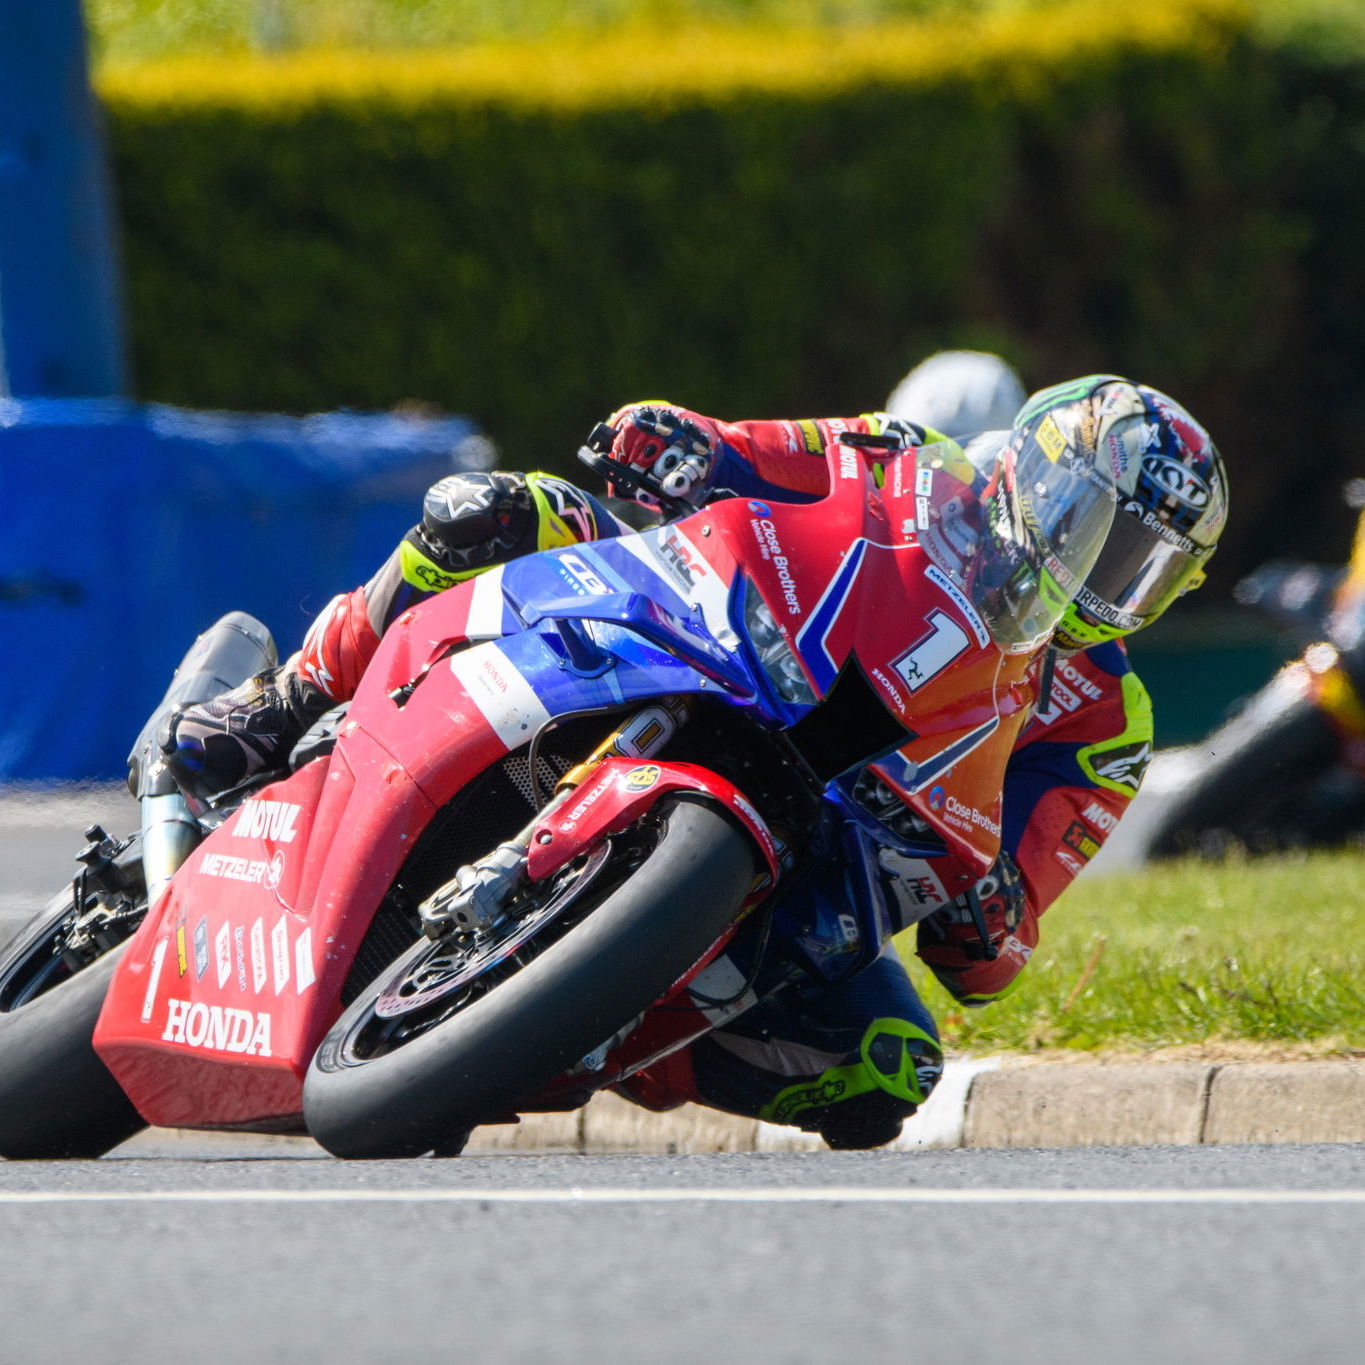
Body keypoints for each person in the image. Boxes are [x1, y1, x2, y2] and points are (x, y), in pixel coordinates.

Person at [164, 371, 1228, 1148]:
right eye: (1095, 529)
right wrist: (679, 442)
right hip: (725, 642)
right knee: (502, 512)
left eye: (1141, 569)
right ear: (1037, 475)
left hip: (839, 827)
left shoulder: (1107, 722)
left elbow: (1014, 915)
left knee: (882, 1067)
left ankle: (572, 1026)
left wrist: (993, 918)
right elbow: (764, 450)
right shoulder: (913, 459)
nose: (1102, 576)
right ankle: (288, 697)